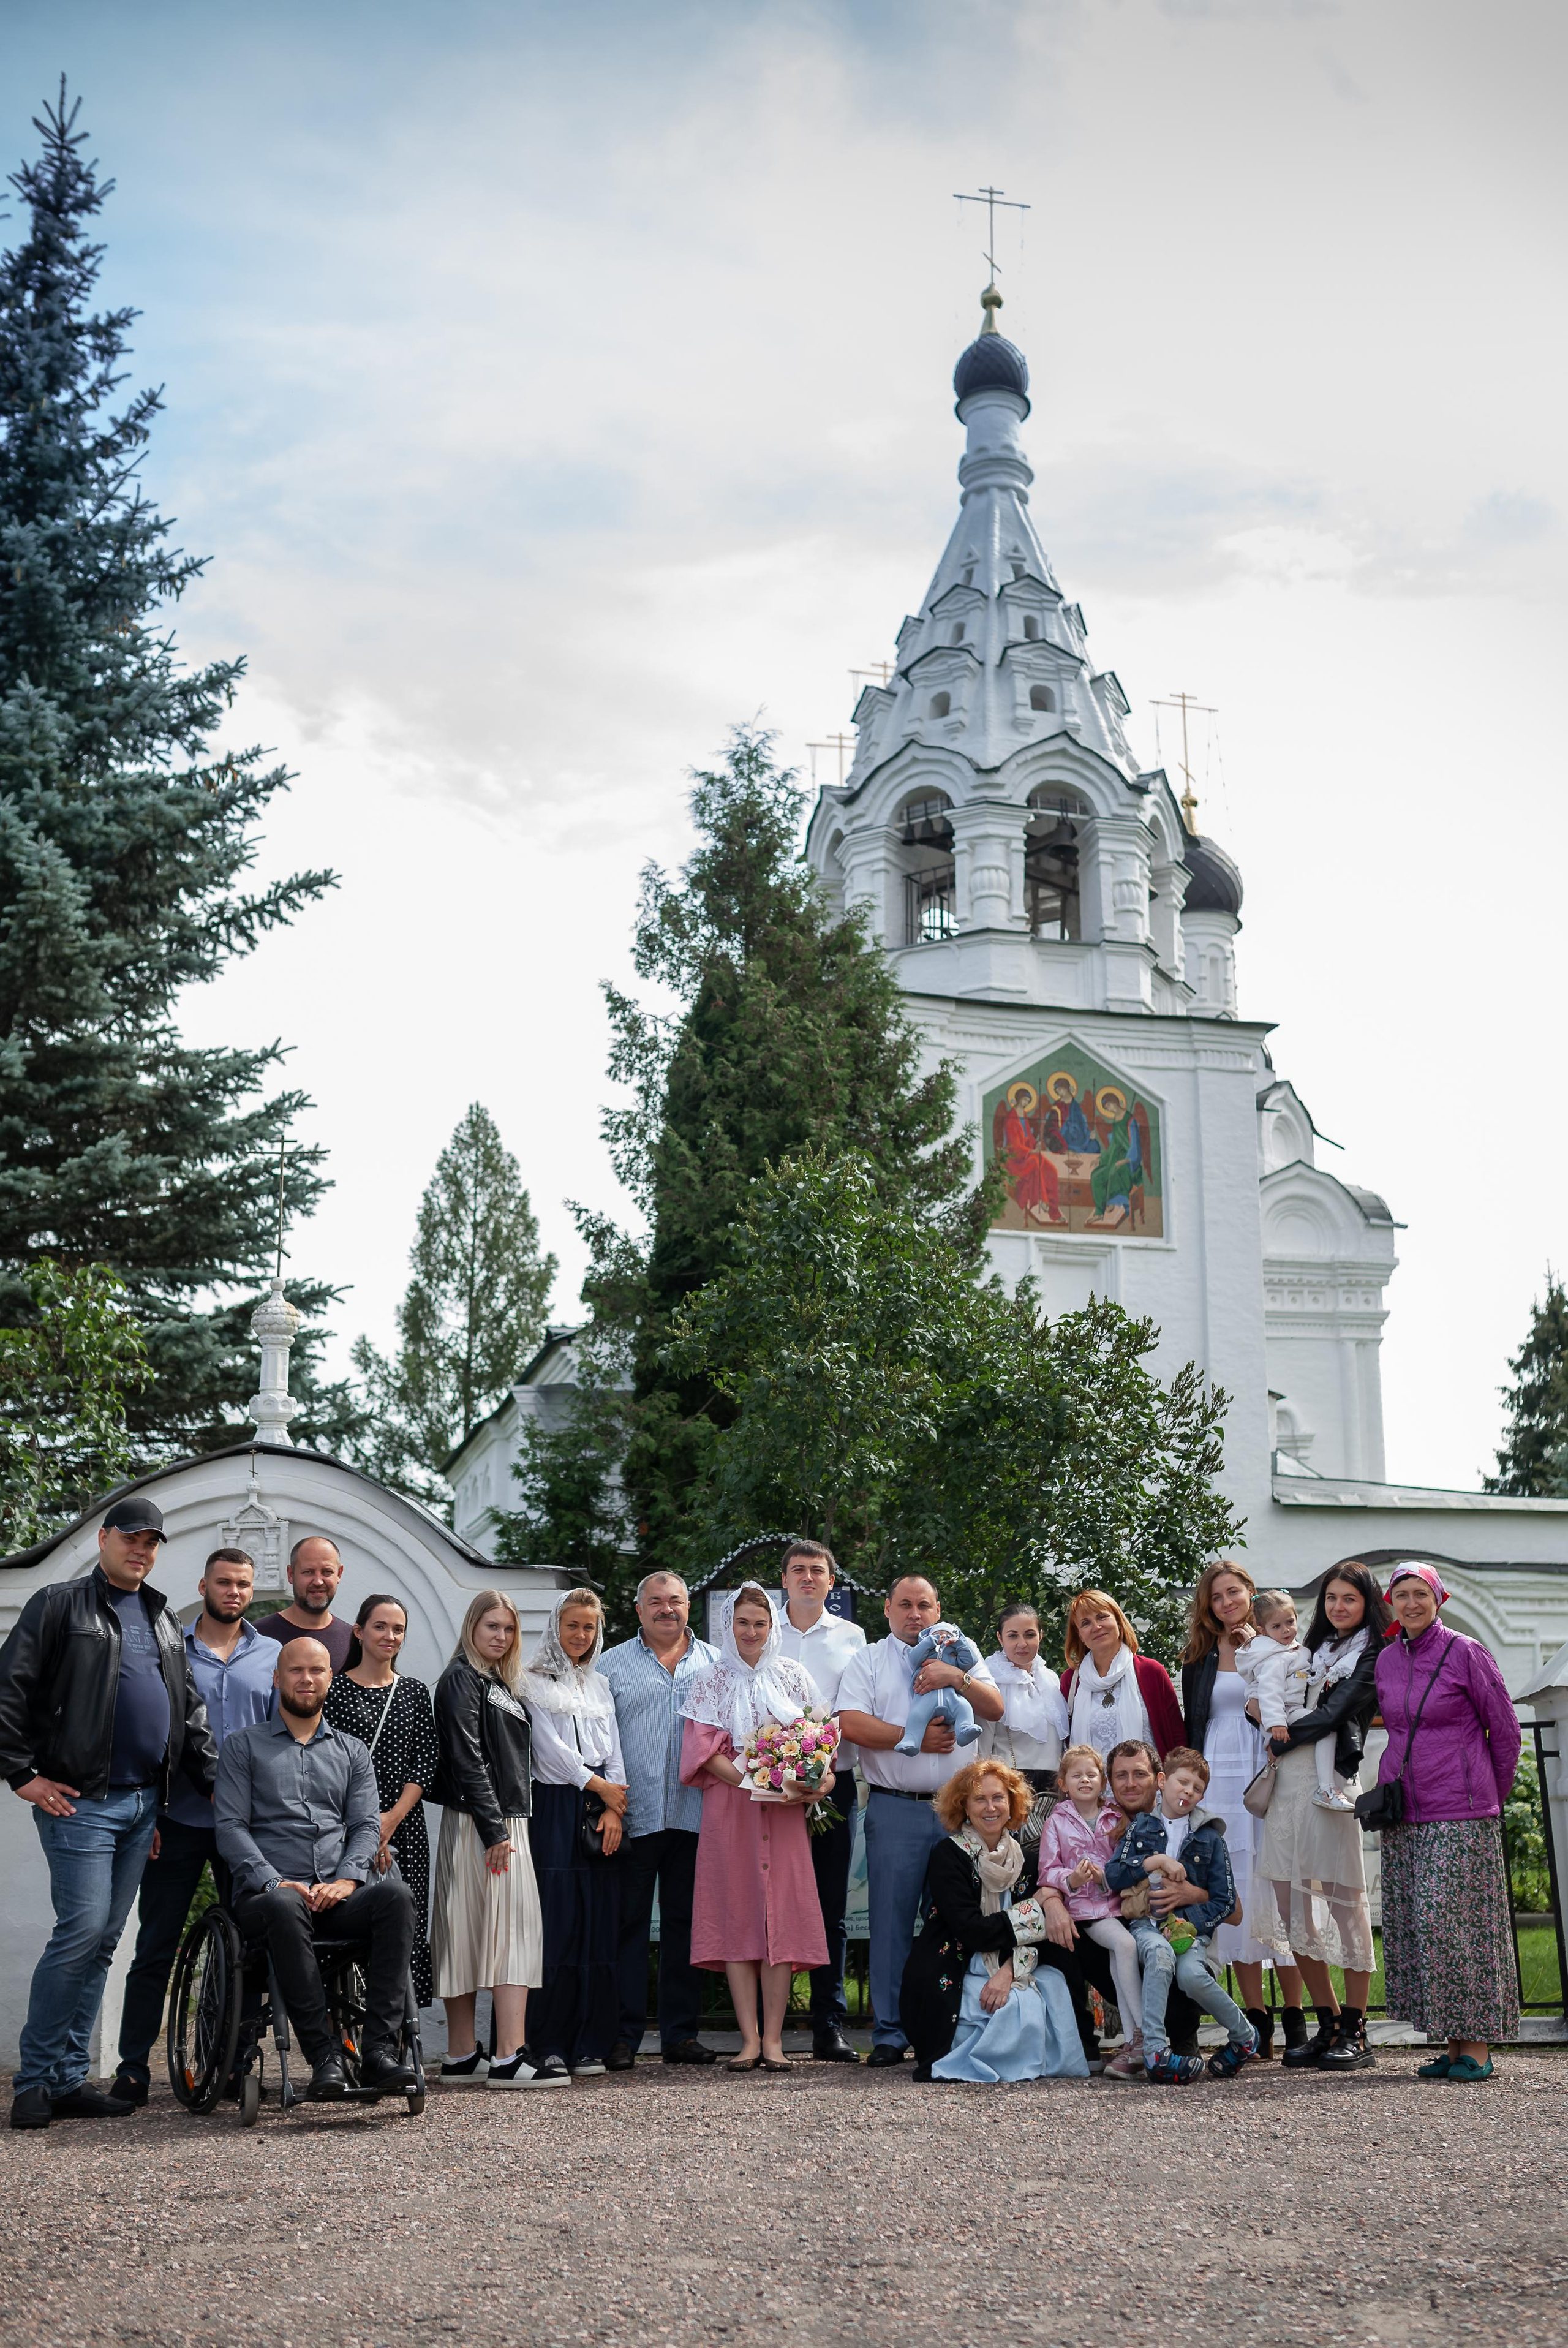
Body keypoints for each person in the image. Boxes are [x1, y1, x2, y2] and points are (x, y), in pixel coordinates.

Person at [1, 1497, 219, 2132]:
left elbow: (189, 1714)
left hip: (144, 1804)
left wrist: (218, 1791)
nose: (141, 1550)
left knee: (101, 1945)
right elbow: (9, 1686)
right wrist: (21, 1773)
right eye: (131, 1538)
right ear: (103, 1538)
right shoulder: (59, 1604)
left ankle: (69, 2078)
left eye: (152, 1542)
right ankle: (37, 2078)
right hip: (81, 1802)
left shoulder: (159, 1615)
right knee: (81, 1931)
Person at [214, 1638, 417, 2100]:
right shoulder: (243, 1747)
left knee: (397, 1896)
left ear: (329, 1678)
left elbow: (366, 1825)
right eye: (296, 1670)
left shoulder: (352, 1751)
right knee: (286, 1903)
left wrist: (348, 1879)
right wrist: (273, 1879)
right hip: (268, 1899)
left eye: (317, 1670)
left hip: (335, 1896)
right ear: (277, 1678)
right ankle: (324, 2055)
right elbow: (229, 1827)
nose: (307, 1679)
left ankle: (380, 2051)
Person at [112, 1546, 277, 2106]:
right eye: (225, 1582)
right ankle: (133, 2068)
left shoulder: (272, 1653)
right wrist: (148, 1815)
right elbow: (149, 1727)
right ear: (203, 1584)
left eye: (244, 1584)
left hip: (249, 1828)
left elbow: (281, 1739)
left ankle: (230, 2062)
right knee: (155, 1947)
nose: (234, 1591)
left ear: (253, 1590)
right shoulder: (167, 1648)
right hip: (177, 1819)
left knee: (249, 1948)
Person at [836, 1574, 1003, 2068]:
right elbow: (849, 1722)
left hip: (960, 1811)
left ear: (937, 1609)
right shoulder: (868, 1658)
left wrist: (958, 1680)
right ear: (887, 1609)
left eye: (924, 1605)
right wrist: (910, 1738)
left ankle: (949, 2025)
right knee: (889, 1924)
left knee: (959, 1921)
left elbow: (995, 1705)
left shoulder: (962, 1650)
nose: (915, 1613)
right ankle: (889, 2032)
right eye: (905, 1604)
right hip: (895, 1806)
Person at [1374, 1563, 1523, 2084]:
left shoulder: (1466, 1651)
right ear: (1391, 1602)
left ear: (1440, 1598)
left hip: (1461, 1810)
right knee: (1422, 1925)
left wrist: (1487, 1794)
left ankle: (1478, 2047)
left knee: (1455, 1926)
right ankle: (1454, 2044)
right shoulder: (1389, 1658)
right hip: (1405, 1811)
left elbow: (1505, 1732)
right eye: (1402, 1594)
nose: (1411, 1602)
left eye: (1421, 1593)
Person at [679, 1584, 829, 2070]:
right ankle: (748, 2039)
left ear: (773, 1627)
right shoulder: (710, 1679)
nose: (751, 1631)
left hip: (784, 1813)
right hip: (732, 1810)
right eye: (742, 1622)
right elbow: (702, 1748)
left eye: (760, 1623)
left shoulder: (793, 1675)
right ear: (728, 1626)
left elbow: (822, 1738)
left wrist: (813, 1780)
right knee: (737, 1914)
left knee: (780, 1918)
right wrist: (755, 1779)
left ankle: (774, 2042)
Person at [1251, 1561, 1389, 2073]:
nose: (1338, 1607)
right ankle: (1327, 2020)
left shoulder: (1373, 1651)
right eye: (1331, 1598)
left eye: (1348, 1599)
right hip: (1287, 1785)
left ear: (1367, 1602)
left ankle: (1356, 2026)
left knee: (1344, 1902)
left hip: (1329, 1781)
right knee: (1293, 1910)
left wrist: (1281, 1733)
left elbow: (1337, 1713)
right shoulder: (1309, 1649)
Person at [1180, 1561, 1306, 2061]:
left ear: (1250, 1593)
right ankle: (1256, 2018)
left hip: (1266, 1765)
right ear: (1208, 1606)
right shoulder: (1199, 1657)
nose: (1227, 1601)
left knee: (1279, 1885)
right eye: (1217, 1596)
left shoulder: (1279, 1644)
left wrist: (1260, 1648)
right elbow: (1197, 1720)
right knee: (1234, 1884)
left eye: (1234, 1592)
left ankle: (1297, 2013)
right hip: (1220, 1776)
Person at [431, 1590, 557, 2088]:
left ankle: (462, 2054)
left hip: (492, 1822)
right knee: (513, 1933)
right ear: (471, 1628)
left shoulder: (494, 1680)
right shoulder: (462, 1678)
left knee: (472, 1930)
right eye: (492, 1627)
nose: (501, 1637)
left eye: (508, 1629)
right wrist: (495, 1828)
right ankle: (508, 2056)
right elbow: (468, 1758)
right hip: (489, 1823)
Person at [900, 1758, 1086, 2083]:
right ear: (964, 1806)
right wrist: (1033, 1908)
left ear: (1011, 1802)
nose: (991, 1807)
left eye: (998, 1797)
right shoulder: (948, 1855)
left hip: (1006, 1964)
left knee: (1045, 1986)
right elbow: (972, 1932)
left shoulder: (1026, 1858)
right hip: (957, 1963)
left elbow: (1038, 1938)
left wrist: (1009, 1972)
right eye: (980, 1799)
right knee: (1009, 2005)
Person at [600, 1570, 720, 2070]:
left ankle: (680, 2035)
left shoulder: (717, 1664)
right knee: (624, 1927)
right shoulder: (610, 1665)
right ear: (638, 1608)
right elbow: (600, 1741)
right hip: (633, 1816)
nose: (666, 1608)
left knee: (685, 1927)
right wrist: (609, 1804)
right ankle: (622, 2035)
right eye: (656, 1601)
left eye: (675, 1600)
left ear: (689, 1606)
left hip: (697, 1816)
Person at [1028, 1738, 1205, 2068]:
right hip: (1098, 1912)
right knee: (1072, 1941)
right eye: (1122, 1775)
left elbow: (1231, 1906)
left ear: (1158, 1778)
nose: (1131, 1783)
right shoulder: (1070, 1819)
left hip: (1157, 1923)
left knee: (1160, 1950)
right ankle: (1098, 2042)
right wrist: (1055, 1897)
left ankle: (1176, 2035)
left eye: (1140, 1774)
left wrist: (1194, 1894)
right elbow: (1043, 1872)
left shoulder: (1180, 1821)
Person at [520, 1589, 628, 2081]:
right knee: (558, 1927)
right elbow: (549, 1749)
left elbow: (617, 1749)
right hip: (557, 1806)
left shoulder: (601, 1683)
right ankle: (548, 2043)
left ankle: (591, 2041)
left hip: (602, 1807)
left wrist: (614, 1807)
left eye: (588, 1627)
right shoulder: (531, 1679)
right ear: (556, 1627)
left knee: (598, 1925)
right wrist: (599, 1786)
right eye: (572, 1625)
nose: (580, 1635)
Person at [1104, 1745, 1259, 2084]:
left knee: (1191, 1976)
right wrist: (1155, 1862)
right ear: (1162, 1781)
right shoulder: (1141, 1827)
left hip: (1189, 1930)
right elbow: (1113, 1875)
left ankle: (1245, 2035)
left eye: (1197, 1788)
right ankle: (1156, 2052)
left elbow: (1226, 1901)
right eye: (1182, 1783)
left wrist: (1191, 1922)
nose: (1188, 1792)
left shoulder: (1210, 1838)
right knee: (1159, 1956)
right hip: (1146, 1923)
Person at [772, 1538, 866, 2061]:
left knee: (830, 1905)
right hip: (771, 1789)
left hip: (835, 1784)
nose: (808, 1577)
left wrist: (825, 1768)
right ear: (783, 1579)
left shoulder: (852, 1637)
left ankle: (827, 2022)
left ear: (832, 1582)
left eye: (818, 1570)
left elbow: (853, 1709)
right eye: (798, 1569)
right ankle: (767, 2027)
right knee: (771, 1904)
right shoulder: (764, 1630)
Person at [322, 1595, 439, 2011]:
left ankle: (398, 2035)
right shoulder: (333, 1690)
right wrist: (368, 1827)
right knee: (352, 1930)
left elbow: (425, 1760)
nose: (390, 1635)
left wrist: (391, 1818)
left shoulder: (412, 1692)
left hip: (404, 1826)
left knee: (405, 1926)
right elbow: (328, 1765)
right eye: (380, 1626)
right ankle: (350, 2038)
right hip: (347, 1828)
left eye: (398, 1628)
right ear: (359, 1631)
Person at [1035, 1743, 1145, 2077]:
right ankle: (1147, 2035)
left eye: (1092, 1774)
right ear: (1063, 1783)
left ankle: (1132, 2042)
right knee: (1125, 1946)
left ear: (1102, 1781)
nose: (1085, 1780)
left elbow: (1125, 1862)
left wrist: (1106, 1876)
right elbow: (1047, 1870)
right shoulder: (1056, 1821)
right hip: (1087, 1910)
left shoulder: (1115, 1816)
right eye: (1076, 1775)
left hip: (1116, 1903)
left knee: (1119, 1961)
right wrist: (1074, 1877)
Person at [1237, 1591, 1351, 1810]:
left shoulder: (1294, 1651)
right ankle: (1326, 1788)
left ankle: (1326, 1787)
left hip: (1290, 1710)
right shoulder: (1276, 1658)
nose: (1286, 1630)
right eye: (1277, 1627)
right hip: (1285, 1713)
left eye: (1290, 1622)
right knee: (1327, 1729)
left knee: (1325, 1727)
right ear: (1262, 1630)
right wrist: (1275, 1724)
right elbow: (1269, 1691)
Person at [1060, 1590, 1183, 1762]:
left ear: (1118, 1621)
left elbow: (1177, 1739)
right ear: (1080, 1635)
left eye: (1102, 1617)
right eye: (1086, 1623)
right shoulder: (1071, 1681)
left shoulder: (1151, 1672)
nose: (1096, 1627)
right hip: (1091, 1786)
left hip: (1147, 1785)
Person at [980, 1601, 1069, 1790]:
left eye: (1030, 1635)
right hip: (1008, 1783)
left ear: (1041, 1636)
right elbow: (982, 1748)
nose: (1022, 1644)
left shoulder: (1051, 1679)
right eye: (1013, 1636)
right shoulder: (989, 1679)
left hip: (1054, 1787)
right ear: (1000, 1638)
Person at [255, 1535, 353, 1673]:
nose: (318, 1581)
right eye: (308, 1572)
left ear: (339, 1574)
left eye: (327, 1572)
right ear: (291, 1574)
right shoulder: (259, 1636)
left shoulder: (353, 1641)